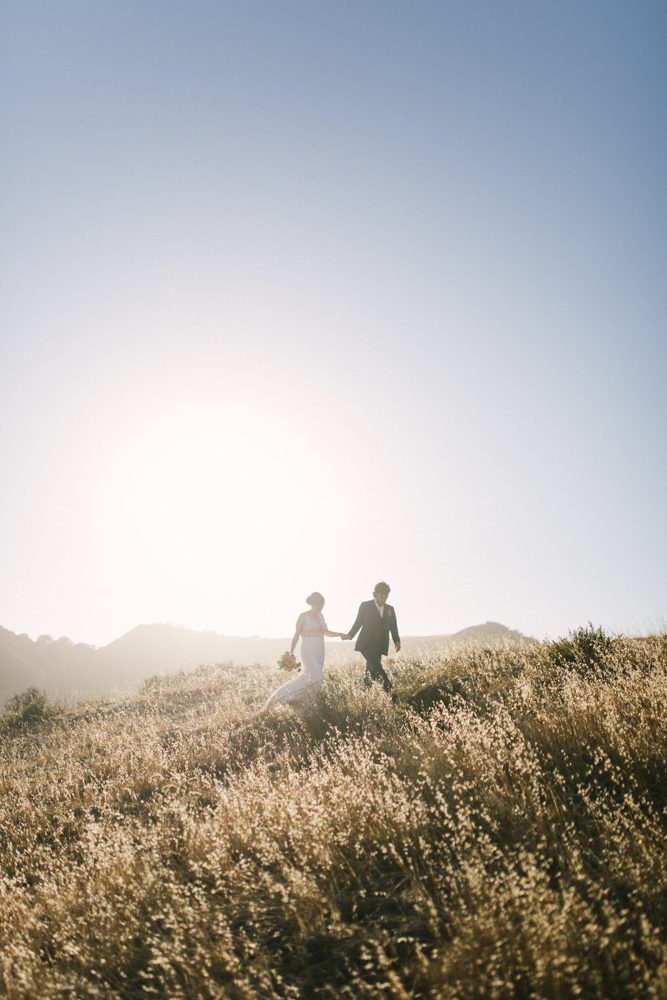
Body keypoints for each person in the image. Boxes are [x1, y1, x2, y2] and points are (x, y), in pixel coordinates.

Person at [264, 592, 346, 708]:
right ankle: (281, 696)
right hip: (308, 650)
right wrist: (291, 653)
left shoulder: (321, 616)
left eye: (323, 605)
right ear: (315, 603)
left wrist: (340, 634)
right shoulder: (303, 616)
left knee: (312, 678)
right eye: (320, 605)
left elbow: (326, 632)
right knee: (318, 676)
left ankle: (305, 704)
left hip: (320, 652)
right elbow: (296, 635)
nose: (322, 607)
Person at [342, 581, 400, 694]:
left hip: (380, 645)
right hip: (366, 643)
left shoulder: (390, 609)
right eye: (382, 597)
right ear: (376, 594)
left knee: (371, 672)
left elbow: (394, 626)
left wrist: (397, 641)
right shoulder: (365, 606)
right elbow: (358, 622)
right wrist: (349, 635)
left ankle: (363, 693)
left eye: (386, 597)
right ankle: (389, 687)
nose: (384, 600)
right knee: (378, 666)